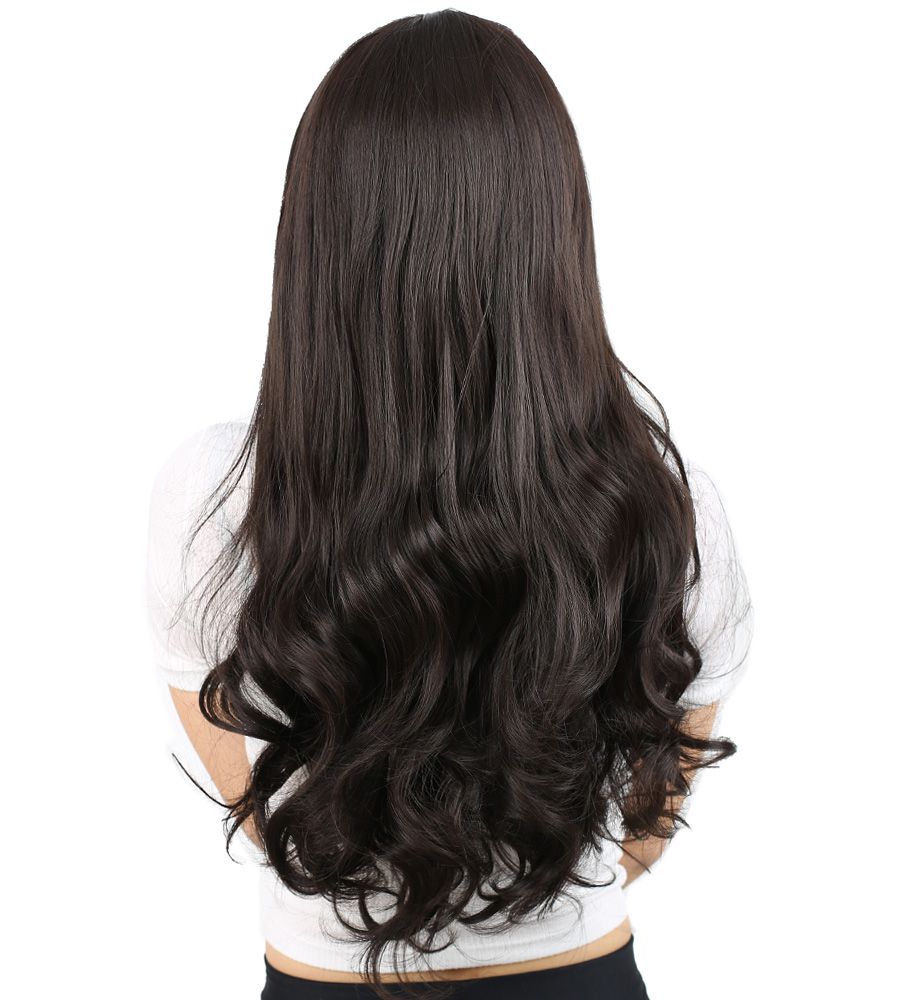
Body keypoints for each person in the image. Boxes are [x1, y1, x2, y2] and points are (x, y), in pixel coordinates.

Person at [145, 10, 754, 1000]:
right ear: (550, 235)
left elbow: (264, 813)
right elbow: (644, 823)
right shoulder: (662, 506)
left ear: (319, 237)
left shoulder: (217, 497)